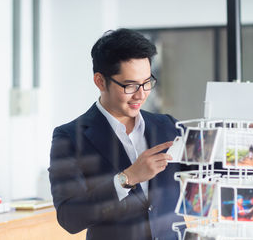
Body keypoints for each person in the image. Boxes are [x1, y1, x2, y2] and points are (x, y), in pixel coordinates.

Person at [48, 28, 185, 240]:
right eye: (130, 85)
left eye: (147, 82)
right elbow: (69, 217)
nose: (141, 94)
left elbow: (217, 170)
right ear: (100, 81)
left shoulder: (167, 126)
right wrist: (128, 178)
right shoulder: (70, 137)